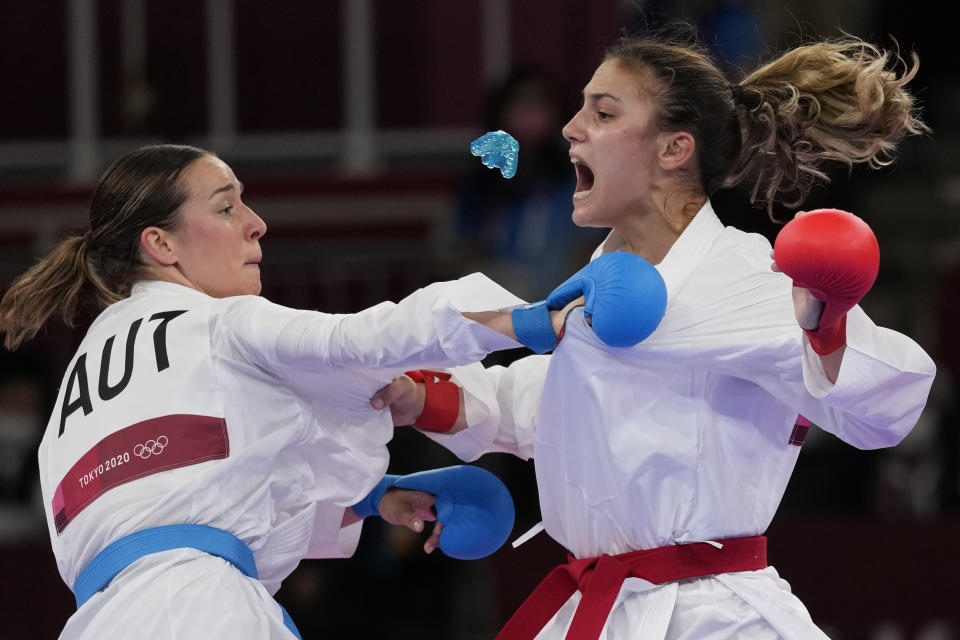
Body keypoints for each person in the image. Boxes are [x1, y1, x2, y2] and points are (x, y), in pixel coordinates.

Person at [374, 30, 937, 639]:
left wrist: (824, 327)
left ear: (674, 149)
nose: (570, 127)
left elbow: (889, 408)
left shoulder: (742, 274)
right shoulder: (601, 287)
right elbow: (562, 407)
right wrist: (423, 396)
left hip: (711, 614)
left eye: (603, 111)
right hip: (602, 607)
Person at [0, 143, 604, 639]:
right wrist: (528, 320)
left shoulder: (77, 388)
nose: (257, 224)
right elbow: (369, 339)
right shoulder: (219, 322)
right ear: (162, 244)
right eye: (228, 208)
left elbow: (187, 497)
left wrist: (372, 501)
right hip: (204, 612)